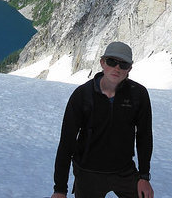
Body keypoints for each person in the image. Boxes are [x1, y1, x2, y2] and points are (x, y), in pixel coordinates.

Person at [51, 41, 154, 198]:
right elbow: (67, 143)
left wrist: (144, 177)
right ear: (102, 63)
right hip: (88, 173)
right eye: (112, 62)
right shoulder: (82, 95)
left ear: (129, 69)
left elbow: (144, 136)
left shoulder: (138, 95)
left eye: (123, 64)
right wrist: (59, 190)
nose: (117, 68)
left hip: (124, 171)